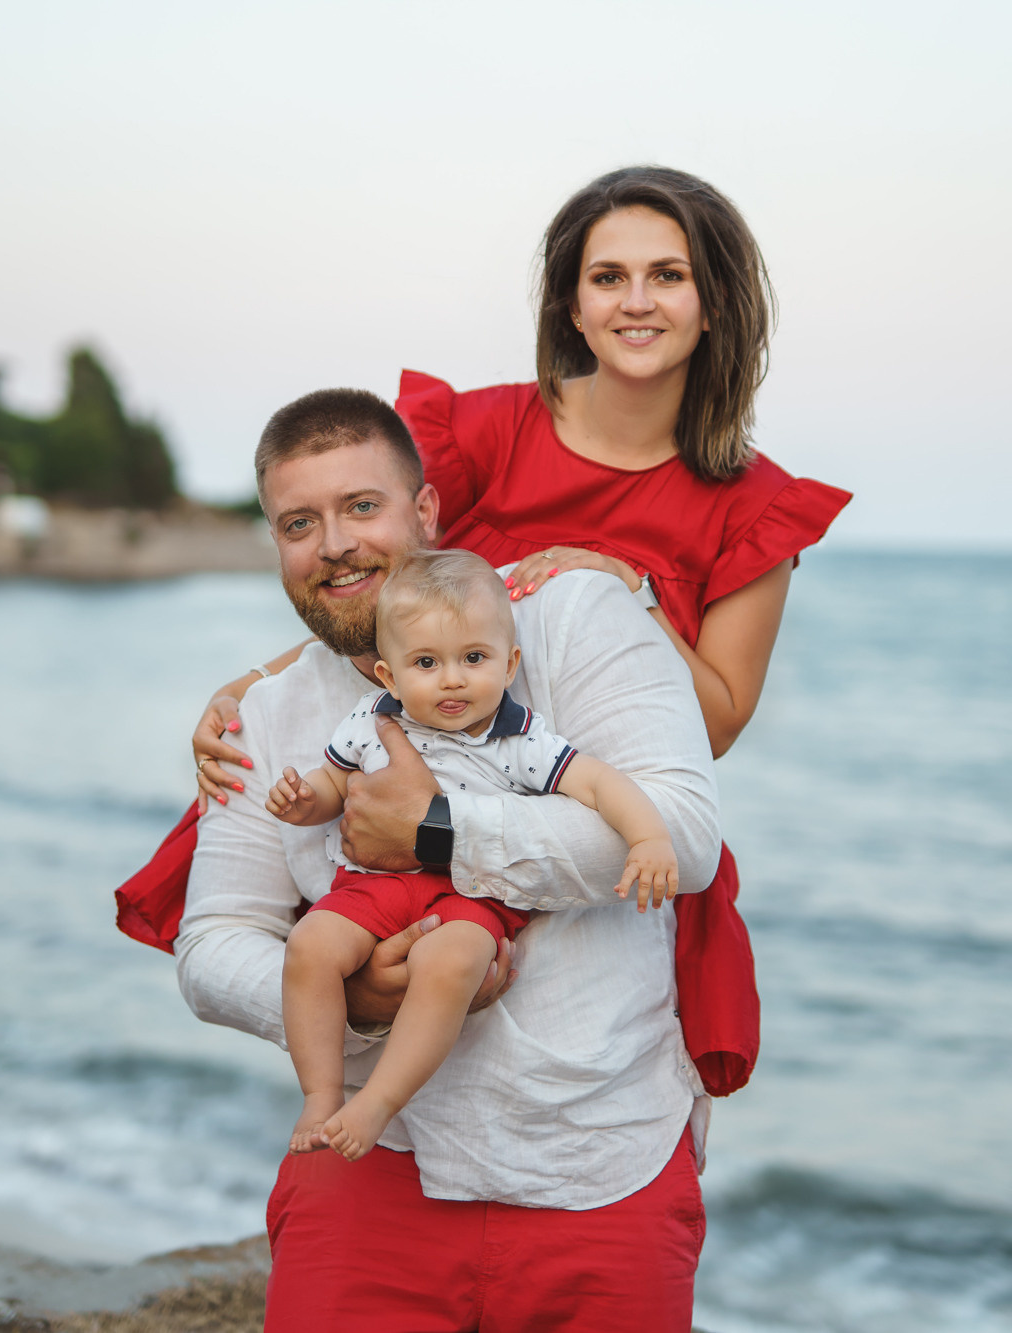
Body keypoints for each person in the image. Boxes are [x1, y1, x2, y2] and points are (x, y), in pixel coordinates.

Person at [188, 165, 853, 1098]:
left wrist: (631, 595)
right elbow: (377, 582)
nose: (636, 301)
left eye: (669, 275)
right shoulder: (484, 433)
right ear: (571, 305)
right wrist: (254, 686)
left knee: (581, 1058)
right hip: (427, 770)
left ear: (716, 303)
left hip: (576, 814)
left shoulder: (755, 508)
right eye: (607, 276)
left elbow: (717, 725)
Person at [180, 386, 720, 1329]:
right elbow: (213, 940)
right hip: (369, 1159)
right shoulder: (260, 718)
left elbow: (683, 834)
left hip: (597, 1158)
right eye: (298, 523)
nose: (334, 545)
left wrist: (440, 833)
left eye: (361, 507)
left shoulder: (570, 621)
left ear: (424, 512)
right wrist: (353, 1003)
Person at [271, 548, 679, 1160]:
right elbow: (335, 787)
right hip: (372, 886)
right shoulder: (373, 719)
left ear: (509, 663)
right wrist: (305, 802)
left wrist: (648, 838)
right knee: (309, 945)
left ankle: (378, 1101)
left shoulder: (519, 737)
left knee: (452, 961)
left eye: (474, 658)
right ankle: (321, 1094)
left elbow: (598, 784)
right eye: (426, 663)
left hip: (472, 894)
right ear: (388, 676)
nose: (453, 679)